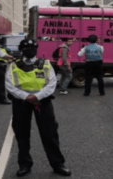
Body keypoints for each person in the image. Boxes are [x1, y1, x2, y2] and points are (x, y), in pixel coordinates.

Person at [5, 39, 71, 177]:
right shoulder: (13, 65)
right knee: (22, 134)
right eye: (26, 48)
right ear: (21, 50)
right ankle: (24, 165)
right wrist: (26, 97)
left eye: (32, 47)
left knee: (50, 133)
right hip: (21, 102)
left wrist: (37, 97)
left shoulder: (45, 63)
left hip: (43, 102)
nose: (30, 50)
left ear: (36, 49)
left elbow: (52, 83)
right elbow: (9, 85)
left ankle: (58, 164)